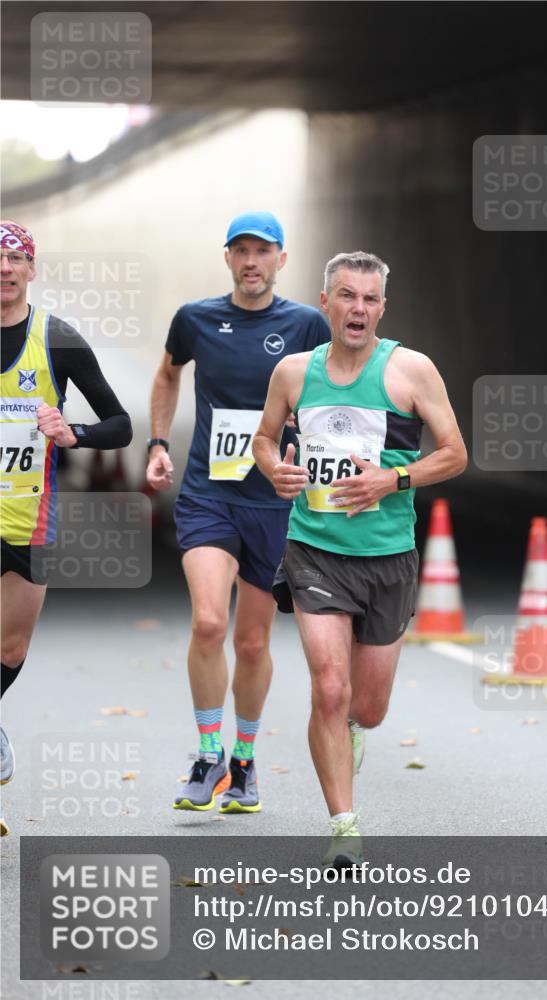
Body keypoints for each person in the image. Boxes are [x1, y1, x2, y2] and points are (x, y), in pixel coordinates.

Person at [253, 250, 467, 866]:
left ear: (382, 308)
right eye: (348, 296)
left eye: (370, 299)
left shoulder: (411, 371)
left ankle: (349, 734)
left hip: (386, 555)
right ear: (326, 302)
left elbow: (454, 454)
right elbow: (265, 438)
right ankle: (344, 825)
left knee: (366, 709)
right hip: (314, 549)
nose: (359, 309)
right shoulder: (295, 372)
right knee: (329, 687)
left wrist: (391, 481)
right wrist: (275, 469)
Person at [146, 211, 330, 815]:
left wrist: (314, 462)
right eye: (241, 251)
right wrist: (155, 443)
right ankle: (207, 756)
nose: (252, 262)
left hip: (273, 504)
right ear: (227, 258)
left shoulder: (306, 323)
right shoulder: (196, 319)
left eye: (263, 251)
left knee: (252, 643)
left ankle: (244, 765)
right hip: (210, 493)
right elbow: (168, 374)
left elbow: (329, 397)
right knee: (208, 624)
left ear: (282, 258)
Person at [0, 221, 133, 834]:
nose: (4, 269)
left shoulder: (58, 338)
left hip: (32, 517)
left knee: (10, 648)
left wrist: (72, 432)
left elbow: (120, 424)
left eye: (14, 260)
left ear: (31, 269)